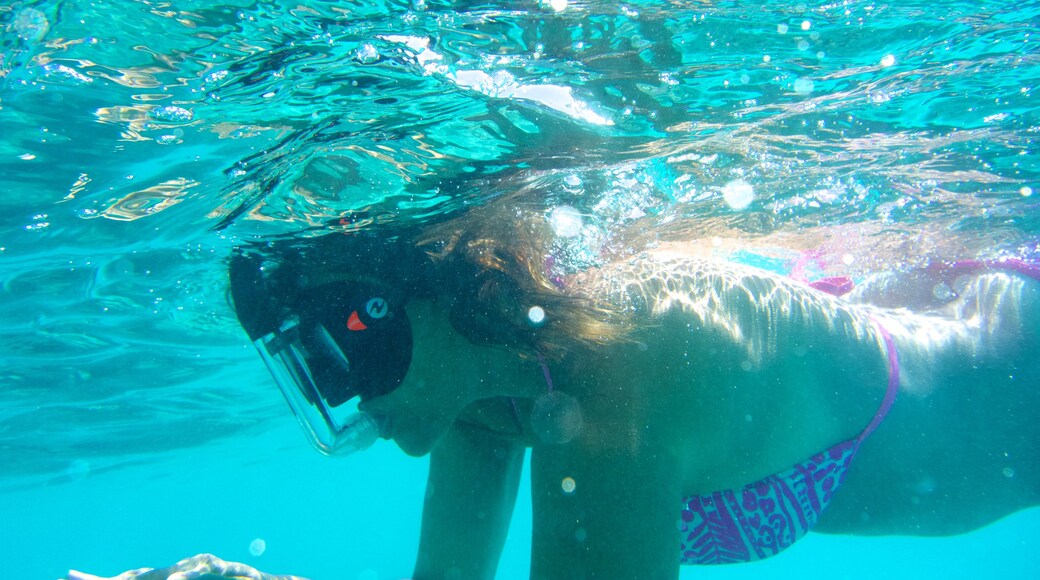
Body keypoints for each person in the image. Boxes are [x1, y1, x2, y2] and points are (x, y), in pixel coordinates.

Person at [67, 197, 1040, 580]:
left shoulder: (621, 372)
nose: (350, 402)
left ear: (417, 295)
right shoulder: (484, 392)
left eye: (338, 357)